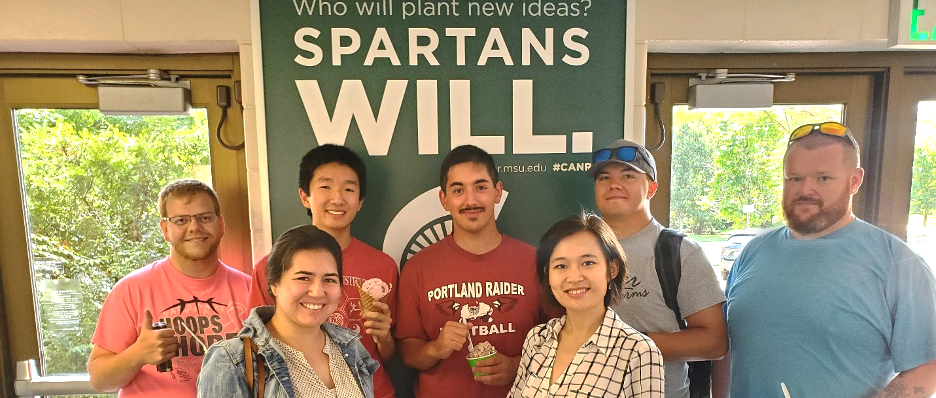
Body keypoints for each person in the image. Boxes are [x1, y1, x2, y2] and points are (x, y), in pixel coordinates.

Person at [716, 122, 936, 398]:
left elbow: (927, 367)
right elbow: (728, 348)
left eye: (823, 178)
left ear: (855, 180)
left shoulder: (897, 263)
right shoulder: (752, 253)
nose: (805, 190)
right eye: (794, 178)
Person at [394, 144, 545, 398]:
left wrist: (516, 366)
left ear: (497, 192)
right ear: (444, 200)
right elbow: (408, 353)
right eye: (458, 190)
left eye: (481, 187)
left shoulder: (533, 261)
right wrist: (436, 349)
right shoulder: (418, 268)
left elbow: (560, 341)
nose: (470, 200)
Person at [248, 144, 398, 398]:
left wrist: (384, 338)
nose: (337, 198)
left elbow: (392, 355)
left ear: (360, 201)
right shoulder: (270, 266)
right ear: (305, 196)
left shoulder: (383, 266)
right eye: (325, 187)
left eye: (349, 189)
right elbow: (255, 346)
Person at [587, 139, 728, 398]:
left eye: (628, 175)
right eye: (604, 177)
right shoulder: (573, 249)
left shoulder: (681, 252)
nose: (614, 184)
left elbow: (714, 342)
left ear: (651, 188)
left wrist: (623, 343)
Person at [87, 179, 251, 397]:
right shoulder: (131, 289)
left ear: (220, 225)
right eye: (181, 220)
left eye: (205, 217)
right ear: (165, 229)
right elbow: (99, 379)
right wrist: (137, 354)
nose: (194, 227)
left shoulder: (250, 290)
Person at [198, 225, 378, 398]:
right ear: (274, 284)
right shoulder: (231, 361)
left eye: (329, 280)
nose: (317, 291)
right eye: (303, 278)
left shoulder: (351, 348)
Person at [509, 212, 664, 397]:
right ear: (547, 274)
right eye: (561, 266)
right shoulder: (537, 339)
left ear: (612, 269)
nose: (574, 277)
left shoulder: (638, 352)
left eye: (588, 262)